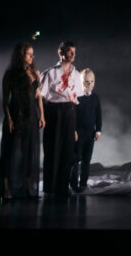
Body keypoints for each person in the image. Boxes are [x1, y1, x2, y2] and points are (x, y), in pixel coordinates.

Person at [0, 42, 44, 203]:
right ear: (20, 55)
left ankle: (28, 187)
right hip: (16, 116)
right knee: (10, 153)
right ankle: (7, 189)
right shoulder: (10, 74)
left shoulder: (35, 72)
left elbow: (39, 97)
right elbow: (5, 100)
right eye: (29, 54)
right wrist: (9, 119)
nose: (32, 56)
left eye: (33, 54)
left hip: (31, 116)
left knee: (29, 152)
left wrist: (42, 115)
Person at [39, 41, 83, 197]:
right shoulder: (50, 73)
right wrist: (42, 116)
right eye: (70, 51)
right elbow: (41, 97)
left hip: (70, 111)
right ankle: (50, 186)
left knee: (67, 150)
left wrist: (76, 126)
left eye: (74, 52)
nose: (73, 55)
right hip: (54, 111)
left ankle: (63, 187)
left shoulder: (77, 74)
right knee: (53, 148)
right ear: (61, 53)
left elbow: (77, 99)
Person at [71, 68, 102, 193]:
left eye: (92, 81)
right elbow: (72, 115)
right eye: (86, 82)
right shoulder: (76, 96)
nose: (89, 84)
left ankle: (83, 183)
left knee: (86, 159)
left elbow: (98, 114)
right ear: (80, 82)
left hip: (90, 133)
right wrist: (73, 130)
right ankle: (73, 184)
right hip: (78, 133)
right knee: (75, 159)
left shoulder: (95, 97)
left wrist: (98, 130)